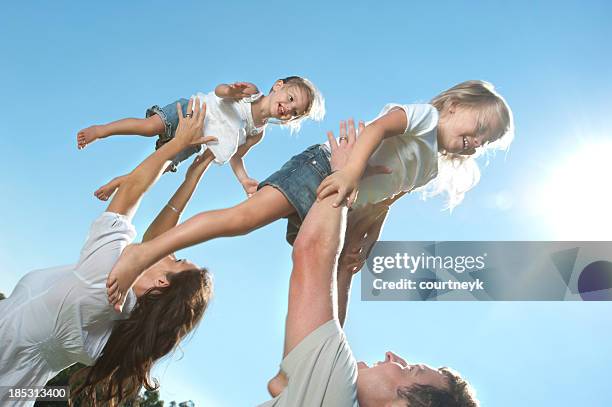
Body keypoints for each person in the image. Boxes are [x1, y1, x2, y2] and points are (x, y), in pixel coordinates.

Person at [106, 79, 514, 312]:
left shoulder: (431, 166)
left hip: (344, 199)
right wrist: (350, 170)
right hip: (323, 169)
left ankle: (313, 355)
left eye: (485, 142)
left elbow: (392, 195)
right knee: (242, 220)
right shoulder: (425, 117)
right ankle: (143, 254)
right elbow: (375, 131)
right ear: (456, 105)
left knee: (336, 271)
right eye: (478, 128)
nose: (476, 142)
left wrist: (367, 236)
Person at [0, 99, 215, 405]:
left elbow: (131, 193)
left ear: (162, 283)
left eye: (176, 259)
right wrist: (191, 177)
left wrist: (176, 146)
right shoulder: (124, 319)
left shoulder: (106, 278)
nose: (169, 248)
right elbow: (156, 236)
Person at [260, 125, 479, 406]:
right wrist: (344, 269)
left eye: (409, 369)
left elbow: (312, 253)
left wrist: (342, 174)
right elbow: (326, 332)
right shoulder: (327, 395)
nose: (393, 356)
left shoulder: (334, 394)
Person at [77, 76, 324, 197]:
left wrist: (244, 179)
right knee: (150, 127)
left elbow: (237, 156)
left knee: (157, 169)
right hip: (191, 111)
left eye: (294, 113)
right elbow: (219, 91)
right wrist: (230, 91)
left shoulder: (257, 132)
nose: (287, 109)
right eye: (290, 99)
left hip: (194, 141)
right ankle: (102, 130)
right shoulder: (251, 93)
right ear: (278, 85)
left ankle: (118, 182)